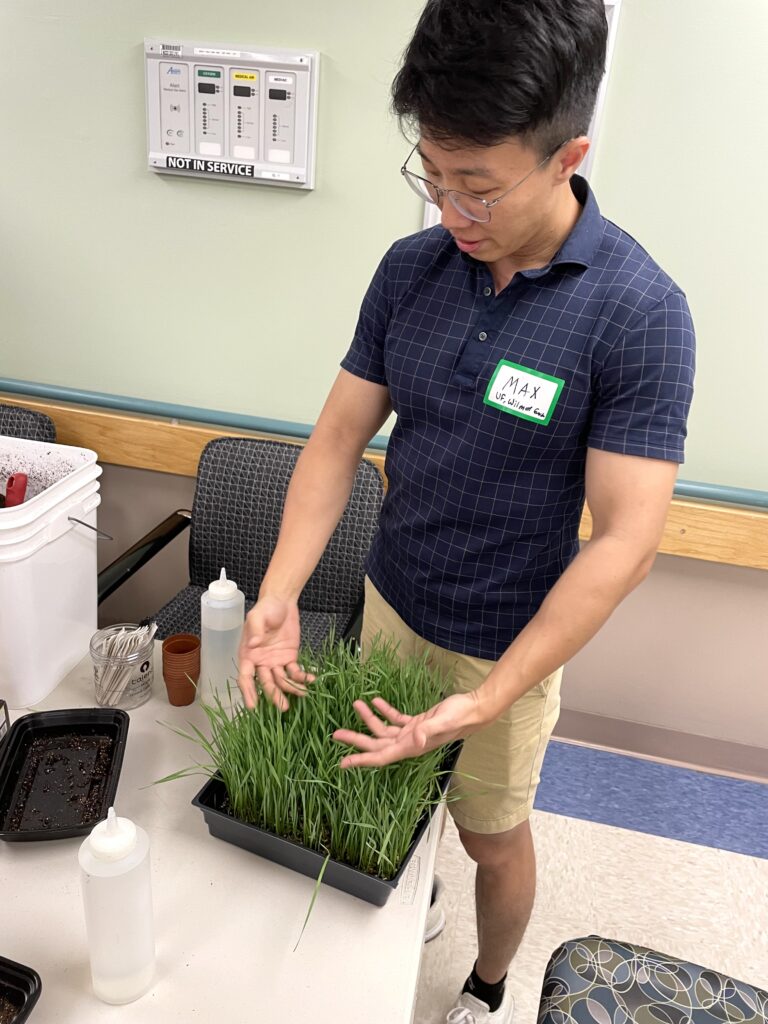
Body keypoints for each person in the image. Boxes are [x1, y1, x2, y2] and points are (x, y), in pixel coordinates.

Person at [237, 1, 696, 1020]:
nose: (450, 209)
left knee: (491, 835)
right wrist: (278, 592)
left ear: (568, 157)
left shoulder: (639, 312)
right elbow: (336, 441)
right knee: (390, 787)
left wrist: (491, 699)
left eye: (479, 187)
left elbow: (626, 542)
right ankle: (414, 895)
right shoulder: (412, 270)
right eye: (431, 175)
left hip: (505, 645)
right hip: (393, 597)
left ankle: (489, 986)